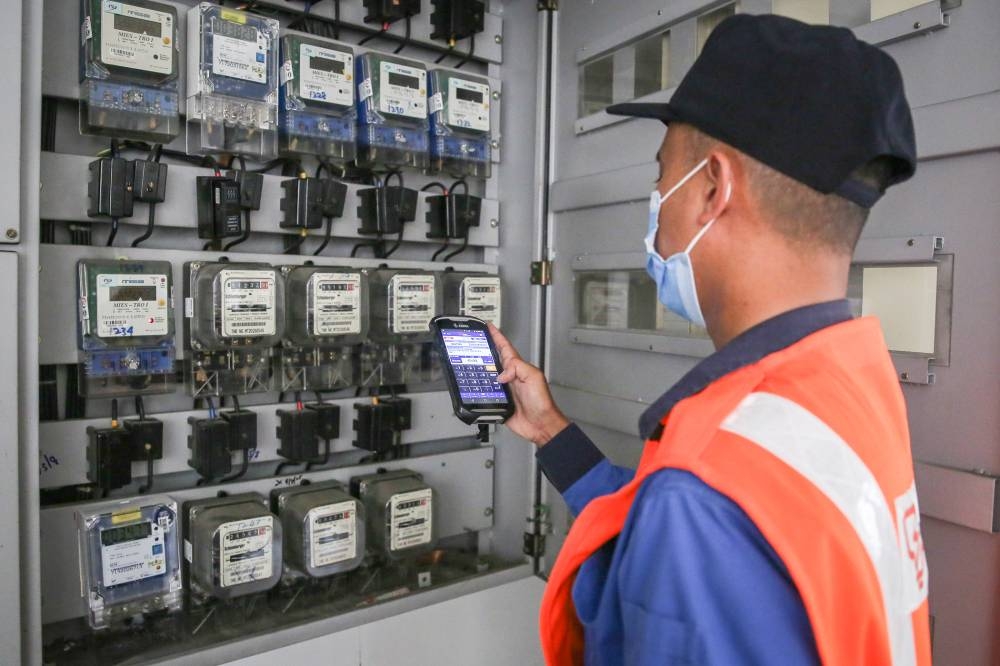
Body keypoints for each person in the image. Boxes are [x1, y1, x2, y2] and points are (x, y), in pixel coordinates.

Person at [490, 14, 932, 666]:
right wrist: (553, 431)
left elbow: (690, 524)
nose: (656, 199)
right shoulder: (849, 382)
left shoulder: (701, 499)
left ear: (712, 188)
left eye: (661, 173)